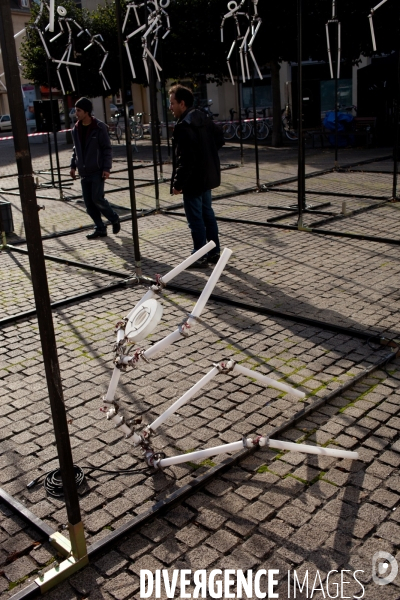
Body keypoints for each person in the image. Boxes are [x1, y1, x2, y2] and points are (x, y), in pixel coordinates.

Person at [169, 84, 224, 268]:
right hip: (206, 176)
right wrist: (207, 156)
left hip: (193, 180)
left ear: (182, 104)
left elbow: (186, 159)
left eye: (172, 103)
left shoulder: (184, 126)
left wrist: (178, 184)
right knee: (207, 213)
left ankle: (199, 254)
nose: (170, 107)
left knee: (196, 218)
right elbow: (219, 138)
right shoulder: (203, 117)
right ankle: (214, 251)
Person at [70, 97, 120, 239]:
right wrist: (73, 166)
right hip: (84, 171)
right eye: (76, 110)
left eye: (78, 110)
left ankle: (114, 218)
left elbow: (107, 149)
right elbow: (76, 150)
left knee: (97, 198)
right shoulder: (76, 129)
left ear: (86, 112)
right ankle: (100, 227)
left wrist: (106, 168)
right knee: (89, 204)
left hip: (97, 170)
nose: (76, 113)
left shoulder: (99, 127)